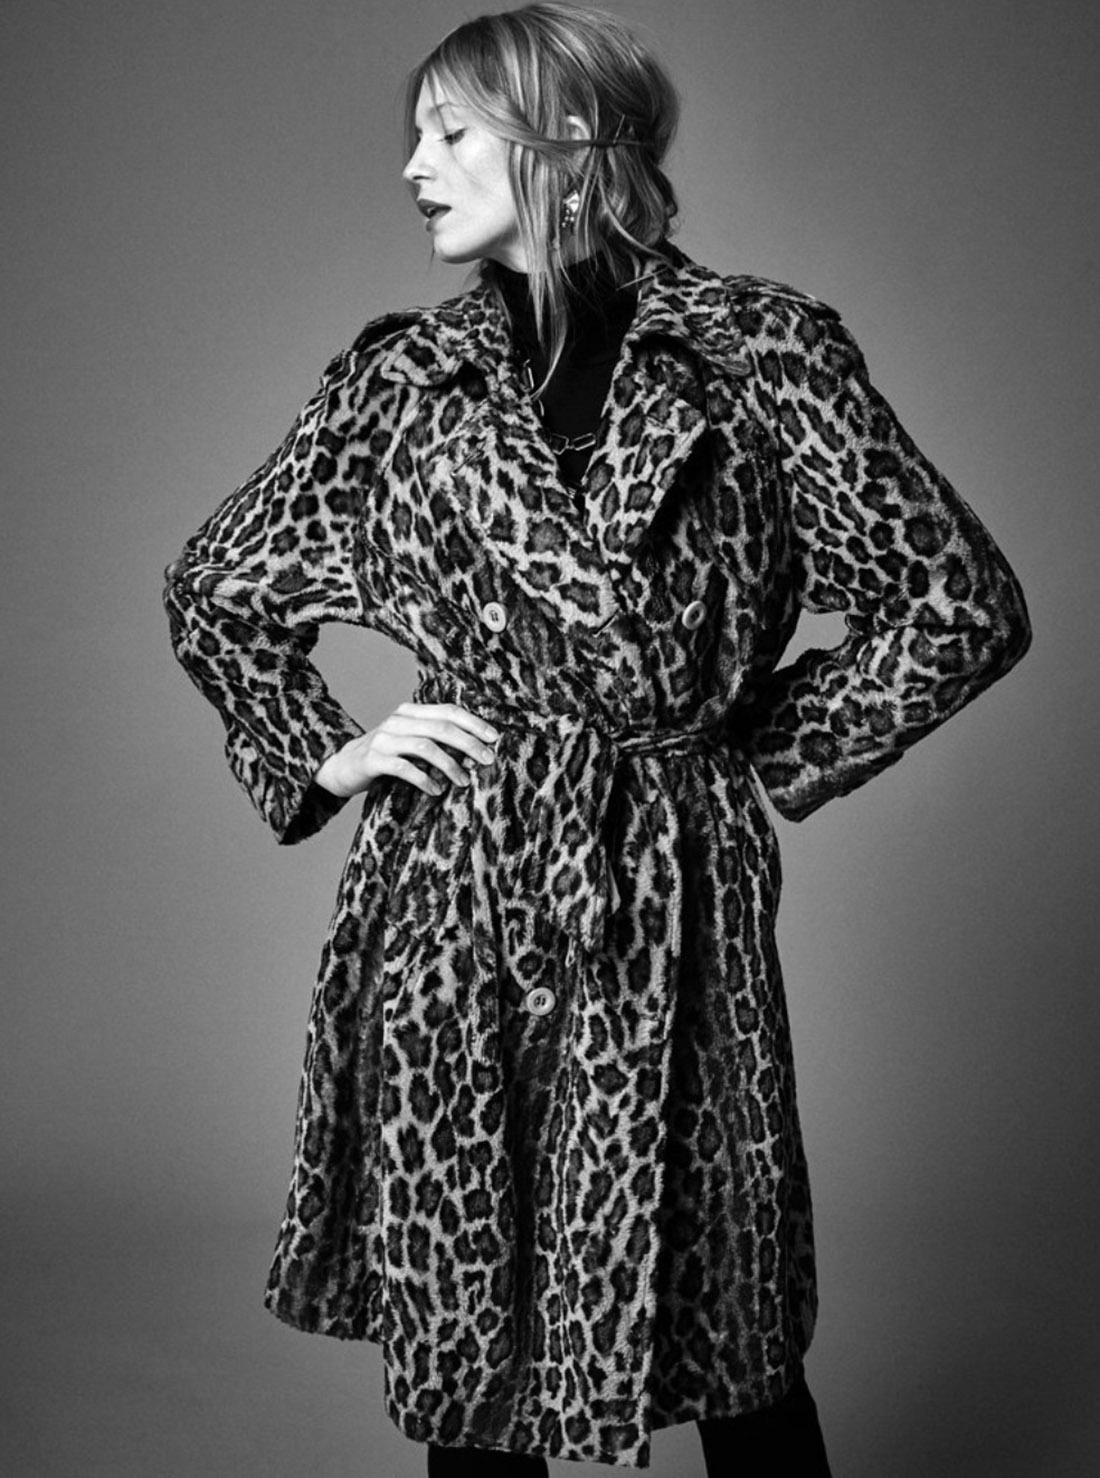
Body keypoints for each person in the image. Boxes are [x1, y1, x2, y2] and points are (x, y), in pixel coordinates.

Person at [162, 3, 1031, 1473]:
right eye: (414, 136)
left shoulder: (761, 353)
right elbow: (218, 590)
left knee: (732, 1313)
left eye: (451, 132)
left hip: (670, 887)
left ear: (566, 138)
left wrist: (749, 755)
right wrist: (331, 750)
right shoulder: (399, 384)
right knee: (470, 1315)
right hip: (457, 885)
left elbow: (957, 602)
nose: (412, 168)